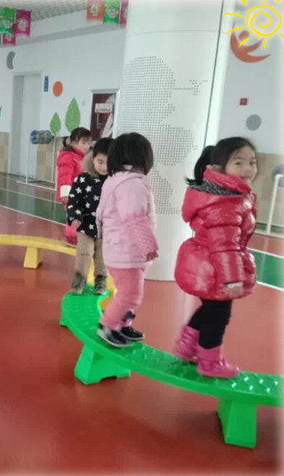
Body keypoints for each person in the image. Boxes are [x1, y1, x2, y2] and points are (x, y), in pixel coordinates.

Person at [173, 138, 257, 378]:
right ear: (218, 168)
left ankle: (187, 347)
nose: (248, 169)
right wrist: (232, 280)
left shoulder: (225, 194)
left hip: (206, 263)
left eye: (252, 162)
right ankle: (210, 363)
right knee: (219, 315)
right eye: (238, 163)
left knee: (210, 308)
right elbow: (225, 246)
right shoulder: (226, 202)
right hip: (215, 268)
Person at [95, 133, 158, 348]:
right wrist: (147, 245)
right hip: (126, 249)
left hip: (121, 248)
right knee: (131, 293)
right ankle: (108, 326)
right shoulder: (131, 184)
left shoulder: (117, 180)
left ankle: (122, 323)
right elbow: (135, 218)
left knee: (130, 291)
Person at [67, 137, 112, 295]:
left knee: (102, 256)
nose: (104, 167)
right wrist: (75, 216)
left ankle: (101, 280)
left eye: (108, 163)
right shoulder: (83, 179)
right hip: (85, 225)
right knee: (84, 253)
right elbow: (74, 201)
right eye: (100, 162)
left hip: (107, 228)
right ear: (93, 159)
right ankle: (79, 280)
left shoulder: (115, 182)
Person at [57, 127, 91, 244]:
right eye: (83, 143)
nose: (86, 146)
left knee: (81, 217)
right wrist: (66, 195)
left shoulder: (83, 157)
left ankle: (77, 238)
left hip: (81, 194)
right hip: (71, 195)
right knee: (73, 217)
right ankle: (72, 239)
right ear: (73, 143)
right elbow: (64, 176)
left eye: (88, 143)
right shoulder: (68, 156)